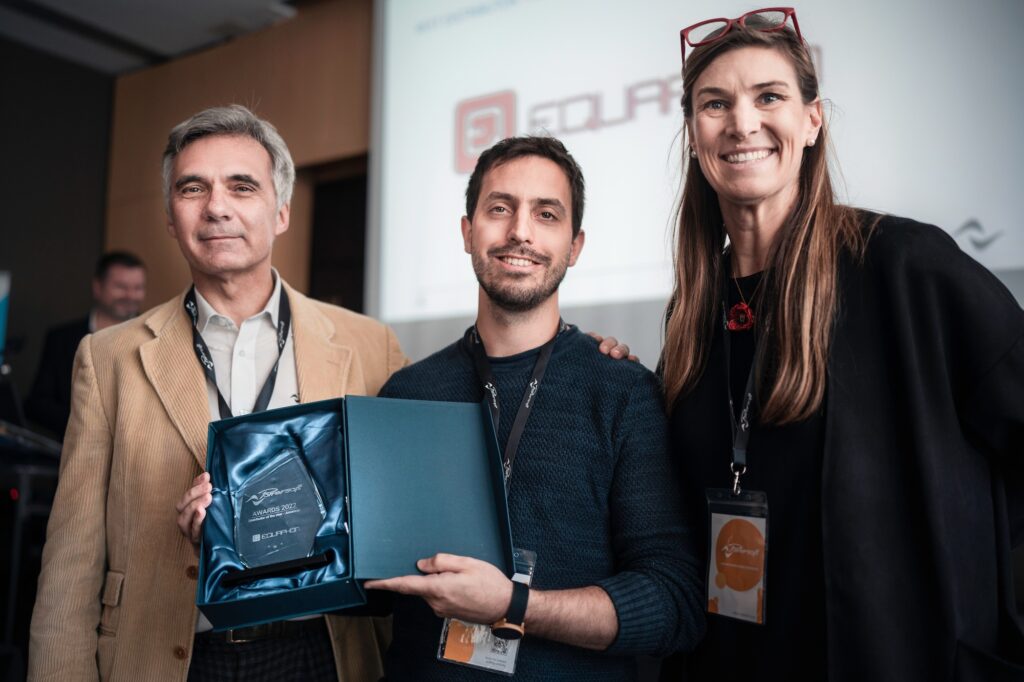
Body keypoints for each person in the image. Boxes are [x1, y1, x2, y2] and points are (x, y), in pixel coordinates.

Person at [659, 9, 1024, 682]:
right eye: (715, 104)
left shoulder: (907, 267)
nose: (742, 123)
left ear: (812, 121)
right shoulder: (691, 315)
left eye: (769, 96)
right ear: (693, 134)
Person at [28, 105, 407, 682]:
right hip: (168, 657)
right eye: (192, 188)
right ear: (170, 217)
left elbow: (402, 513)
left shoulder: (370, 345)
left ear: (281, 211)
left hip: (324, 651)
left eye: (242, 186)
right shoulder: (108, 358)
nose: (216, 207)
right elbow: (71, 558)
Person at [362, 136, 704, 680]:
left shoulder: (623, 393)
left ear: (575, 245)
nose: (520, 231)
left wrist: (513, 604)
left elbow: (673, 604)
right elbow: (374, 588)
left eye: (547, 214)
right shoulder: (407, 392)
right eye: (500, 209)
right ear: (467, 231)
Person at [25, 251, 146, 436]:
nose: (130, 295)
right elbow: (37, 405)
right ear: (97, 287)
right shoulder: (60, 339)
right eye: (121, 287)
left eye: (138, 288)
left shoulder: (155, 339)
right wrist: (86, 424)